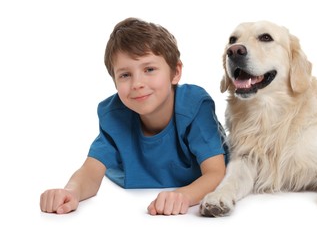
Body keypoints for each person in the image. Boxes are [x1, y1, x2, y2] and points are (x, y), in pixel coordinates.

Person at [39, 17, 228, 216]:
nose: (137, 83)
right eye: (125, 75)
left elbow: (216, 172)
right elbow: (91, 172)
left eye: (149, 69)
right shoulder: (114, 115)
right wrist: (71, 191)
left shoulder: (194, 105)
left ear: (176, 72)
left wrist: (183, 195)